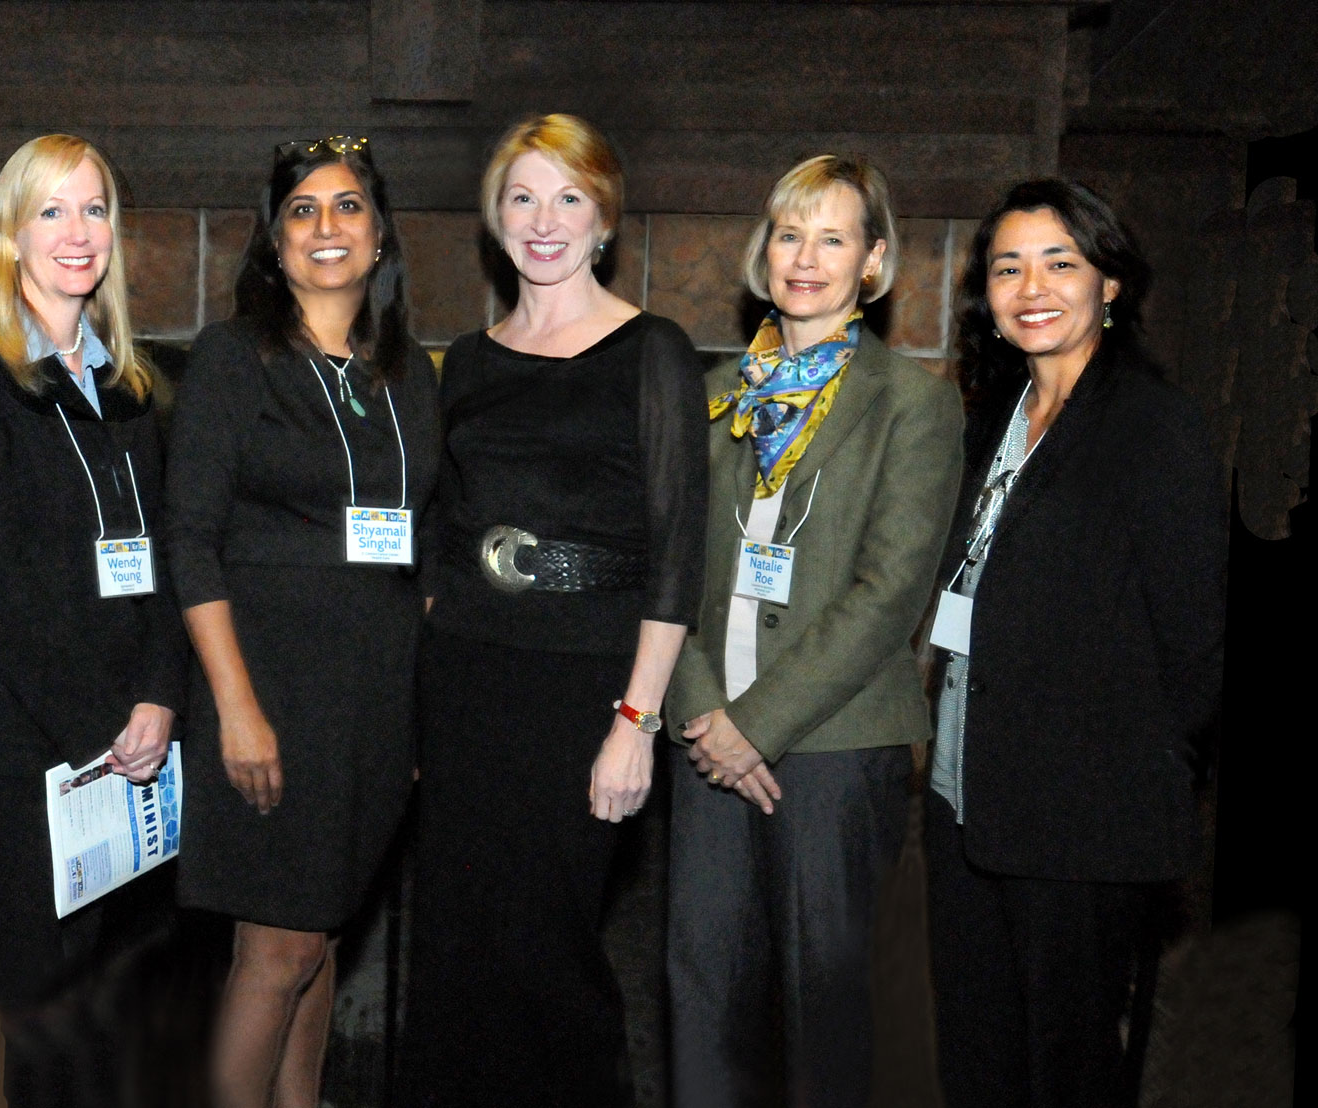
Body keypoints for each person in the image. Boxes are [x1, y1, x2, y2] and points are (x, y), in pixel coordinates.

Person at [395, 113, 707, 1108]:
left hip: (585, 685)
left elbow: (675, 555)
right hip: (466, 681)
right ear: (494, 218)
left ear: (602, 218)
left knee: (550, 947)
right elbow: (442, 529)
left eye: (567, 197)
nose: (544, 219)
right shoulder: (470, 360)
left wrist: (634, 723)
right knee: (457, 945)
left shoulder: (651, 350)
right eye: (521, 196)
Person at [660, 153, 963, 1108]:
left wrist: (761, 721)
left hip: (835, 752)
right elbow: (668, 565)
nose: (806, 257)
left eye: (833, 237)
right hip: (706, 744)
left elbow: (889, 593)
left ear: (872, 261)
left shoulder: (913, 403)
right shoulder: (715, 395)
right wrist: (707, 711)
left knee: (828, 1020)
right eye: (790, 233)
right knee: (703, 999)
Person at [925, 179, 1222, 1108]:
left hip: (1082, 811)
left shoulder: (1155, 427)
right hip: (963, 788)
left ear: (1111, 286)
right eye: (1009, 267)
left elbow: (1195, 650)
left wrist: (1134, 775)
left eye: (1062, 262)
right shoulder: (992, 419)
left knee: (1070, 1062)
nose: (1032, 286)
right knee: (978, 1045)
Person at [162, 135, 439, 1108]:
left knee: (317, 941)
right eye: (302, 211)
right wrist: (234, 708)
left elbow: (422, 548)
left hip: (370, 704)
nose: (327, 227)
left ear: (378, 236)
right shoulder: (234, 359)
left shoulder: (408, 373)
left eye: (347, 206)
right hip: (267, 687)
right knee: (274, 950)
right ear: (274, 243)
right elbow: (189, 541)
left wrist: (410, 711)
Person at [0, 133, 186, 1107]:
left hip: (136, 744)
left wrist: (160, 694)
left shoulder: (132, 387)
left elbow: (166, 558)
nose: (77, 232)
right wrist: (104, 728)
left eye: (94, 209)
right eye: (51, 211)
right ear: (10, 234)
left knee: (122, 1025)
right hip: (23, 750)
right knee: (47, 1032)